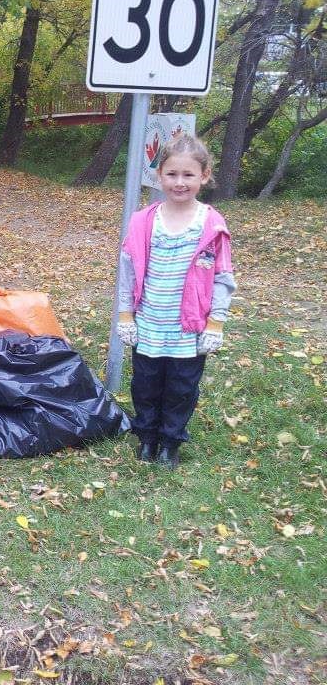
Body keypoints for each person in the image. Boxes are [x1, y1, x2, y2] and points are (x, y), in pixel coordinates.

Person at [116, 134, 236, 469]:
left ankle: (170, 442)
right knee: (145, 386)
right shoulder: (143, 221)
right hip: (150, 323)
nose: (179, 182)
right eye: (172, 174)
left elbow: (223, 277)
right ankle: (148, 438)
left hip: (189, 329)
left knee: (181, 389)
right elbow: (128, 272)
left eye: (188, 175)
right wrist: (126, 316)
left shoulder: (210, 223)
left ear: (204, 176)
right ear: (159, 175)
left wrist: (216, 323)